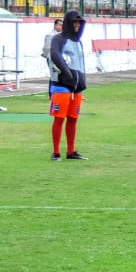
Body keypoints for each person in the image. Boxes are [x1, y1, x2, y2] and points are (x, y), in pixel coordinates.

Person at [47, 10, 89, 162]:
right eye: (75, 22)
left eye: (79, 22)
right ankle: (56, 152)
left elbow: (80, 64)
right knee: (59, 118)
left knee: (73, 118)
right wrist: (67, 73)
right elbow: (55, 55)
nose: (77, 25)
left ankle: (71, 151)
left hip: (76, 88)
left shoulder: (78, 42)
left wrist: (82, 82)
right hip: (61, 85)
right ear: (68, 23)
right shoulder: (58, 38)